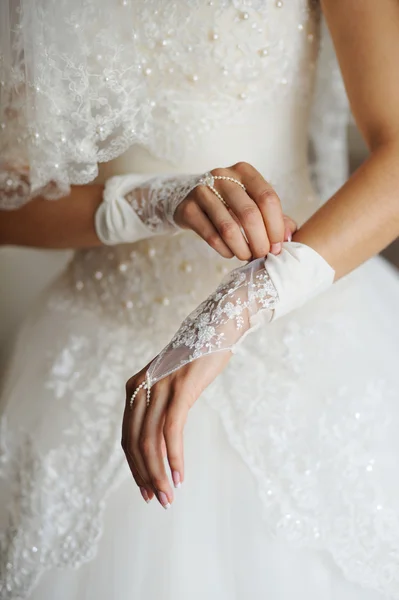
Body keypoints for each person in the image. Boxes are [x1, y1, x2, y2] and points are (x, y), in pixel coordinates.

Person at [0, 0, 399, 598]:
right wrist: (154, 199)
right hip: (93, 345)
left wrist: (240, 306)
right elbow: (11, 193)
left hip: (302, 329)